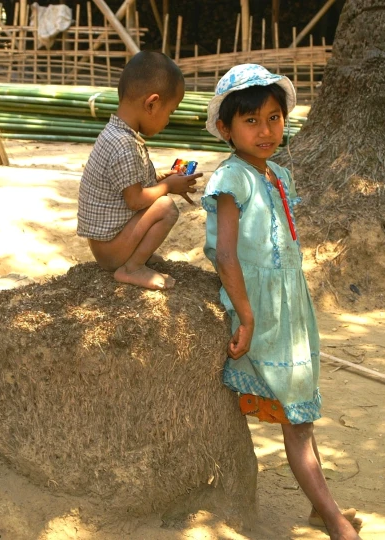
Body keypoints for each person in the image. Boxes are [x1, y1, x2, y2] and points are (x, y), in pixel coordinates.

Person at [201, 64, 363, 539]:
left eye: (274, 118)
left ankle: (321, 506)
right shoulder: (232, 179)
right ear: (226, 129)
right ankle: (331, 517)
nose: (266, 130)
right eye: (251, 121)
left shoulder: (279, 176)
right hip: (259, 312)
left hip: (289, 312)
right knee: (297, 422)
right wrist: (246, 317)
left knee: (302, 416)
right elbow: (226, 252)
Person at [77, 51, 201, 290]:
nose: (168, 120)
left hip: (108, 243)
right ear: (152, 104)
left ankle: (133, 257)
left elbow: (127, 182)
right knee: (165, 208)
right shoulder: (124, 145)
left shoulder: (117, 134)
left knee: (161, 198)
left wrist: (160, 178)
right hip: (110, 250)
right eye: (170, 112)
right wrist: (167, 187)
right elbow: (134, 200)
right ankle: (131, 268)